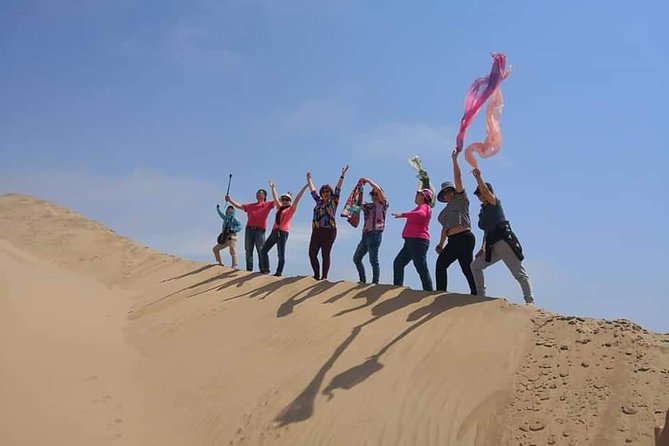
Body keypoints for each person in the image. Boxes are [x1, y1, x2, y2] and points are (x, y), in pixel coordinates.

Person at [469, 168, 534, 304]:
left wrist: (478, 177)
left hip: (504, 243)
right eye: (478, 195)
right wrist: (483, 247)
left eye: (481, 193)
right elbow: (486, 230)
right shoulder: (483, 211)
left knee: (519, 273)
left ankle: (529, 301)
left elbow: (486, 192)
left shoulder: (494, 203)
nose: (480, 196)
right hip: (492, 245)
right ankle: (480, 297)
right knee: (475, 266)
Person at [434, 149, 477, 294]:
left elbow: (457, 177)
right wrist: (440, 244)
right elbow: (444, 229)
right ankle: (440, 294)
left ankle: (476, 295)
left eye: (449, 191)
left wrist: (454, 159)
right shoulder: (443, 213)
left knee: (467, 268)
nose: (447, 195)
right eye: (445, 193)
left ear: (453, 191)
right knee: (440, 264)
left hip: (465, 238)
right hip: (452, 240)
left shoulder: (461, 199)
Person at [307, 165, 349, 280]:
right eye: (324, 191)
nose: (326, 193)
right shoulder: (318, 202)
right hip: (316, 230)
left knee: (325, 254)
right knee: (312, 253)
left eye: (327, 191)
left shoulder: (333, 202)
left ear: (330, 193)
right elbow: (313, 191)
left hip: (329, 231)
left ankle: (324, 277)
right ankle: (316, 275)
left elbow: (338, 189)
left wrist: (342, 176)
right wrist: (309, 180)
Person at [259, 180, 309, 276]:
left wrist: (305, 187)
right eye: (283, 199)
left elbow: (298, 198)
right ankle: (266, 269)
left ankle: (279, 272)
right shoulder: (279, 208)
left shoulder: (291, 209)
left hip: (283, 232)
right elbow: (275, 198)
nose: (285, 201)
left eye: (287, 199)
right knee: (264, 250)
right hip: (274, 231)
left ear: (290, 201)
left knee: (280, 253)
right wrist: (273, 187)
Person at [392, 188, 434, 291]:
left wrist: (403, 215)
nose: (416, 195)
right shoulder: (419, 207)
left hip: (418, 241)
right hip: (410, 242)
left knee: (420, 267)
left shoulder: (425, 207)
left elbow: (421, 214)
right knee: (398, 263)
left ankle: (428, 292)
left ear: (424, 196)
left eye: (418, 194)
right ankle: (396, 288)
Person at [226, 188, 274, 272]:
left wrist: (274, 189)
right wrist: (230, 200)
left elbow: (277, 201)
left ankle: (262, 268)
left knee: (261, 249)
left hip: (260, 230)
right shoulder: (251, 206)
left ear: (265, 196)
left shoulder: (267, 205)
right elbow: (240, 206)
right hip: (249, 229)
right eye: (257, 193)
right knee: (248, 249)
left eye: (261, 193)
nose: (259, 194)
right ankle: (249, 268)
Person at [353, 178, 388, 284]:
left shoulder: (382, 204)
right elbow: (356, 201)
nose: (374, 196)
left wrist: (367, 181)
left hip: (375, 233)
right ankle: (362, 280)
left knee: (373, 259)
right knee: (357, 258)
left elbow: (379, 190)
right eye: (372, 194)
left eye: (375, 194)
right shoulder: (368, 206)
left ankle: (375, 282)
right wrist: (359, 187)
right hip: (366, 234)